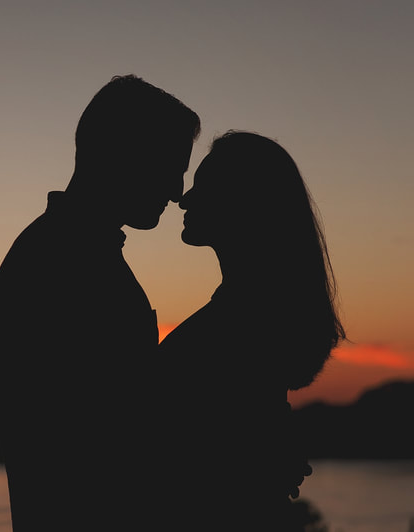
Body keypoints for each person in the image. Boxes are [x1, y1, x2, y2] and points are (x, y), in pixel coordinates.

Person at [0, 74, 200, 530]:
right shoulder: (64, 263)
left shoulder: (64, 252)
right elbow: (118, 447)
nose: (177, 191)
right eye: (171, 167)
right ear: (125, 154)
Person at [157, 131, 346, 530]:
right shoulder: (252, 315)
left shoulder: (235, 327)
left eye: (203, 187)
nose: (184, 199)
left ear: (242, 202)